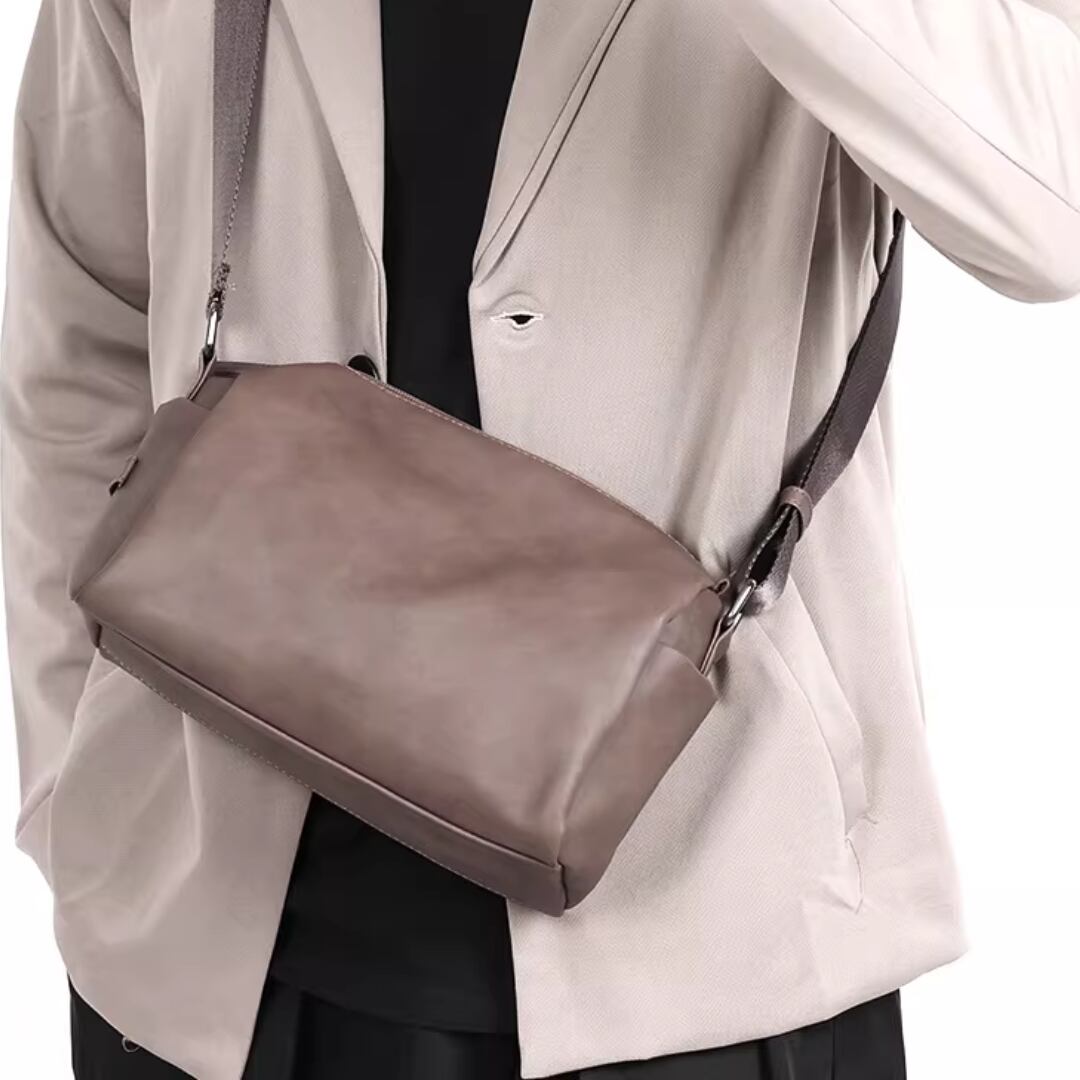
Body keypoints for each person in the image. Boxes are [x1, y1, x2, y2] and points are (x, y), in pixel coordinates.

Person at [3, 1, 1079, 1078]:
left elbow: (1053, 203)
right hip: (203, 961)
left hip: (721, 954)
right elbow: (78, 335)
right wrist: (73, 794)